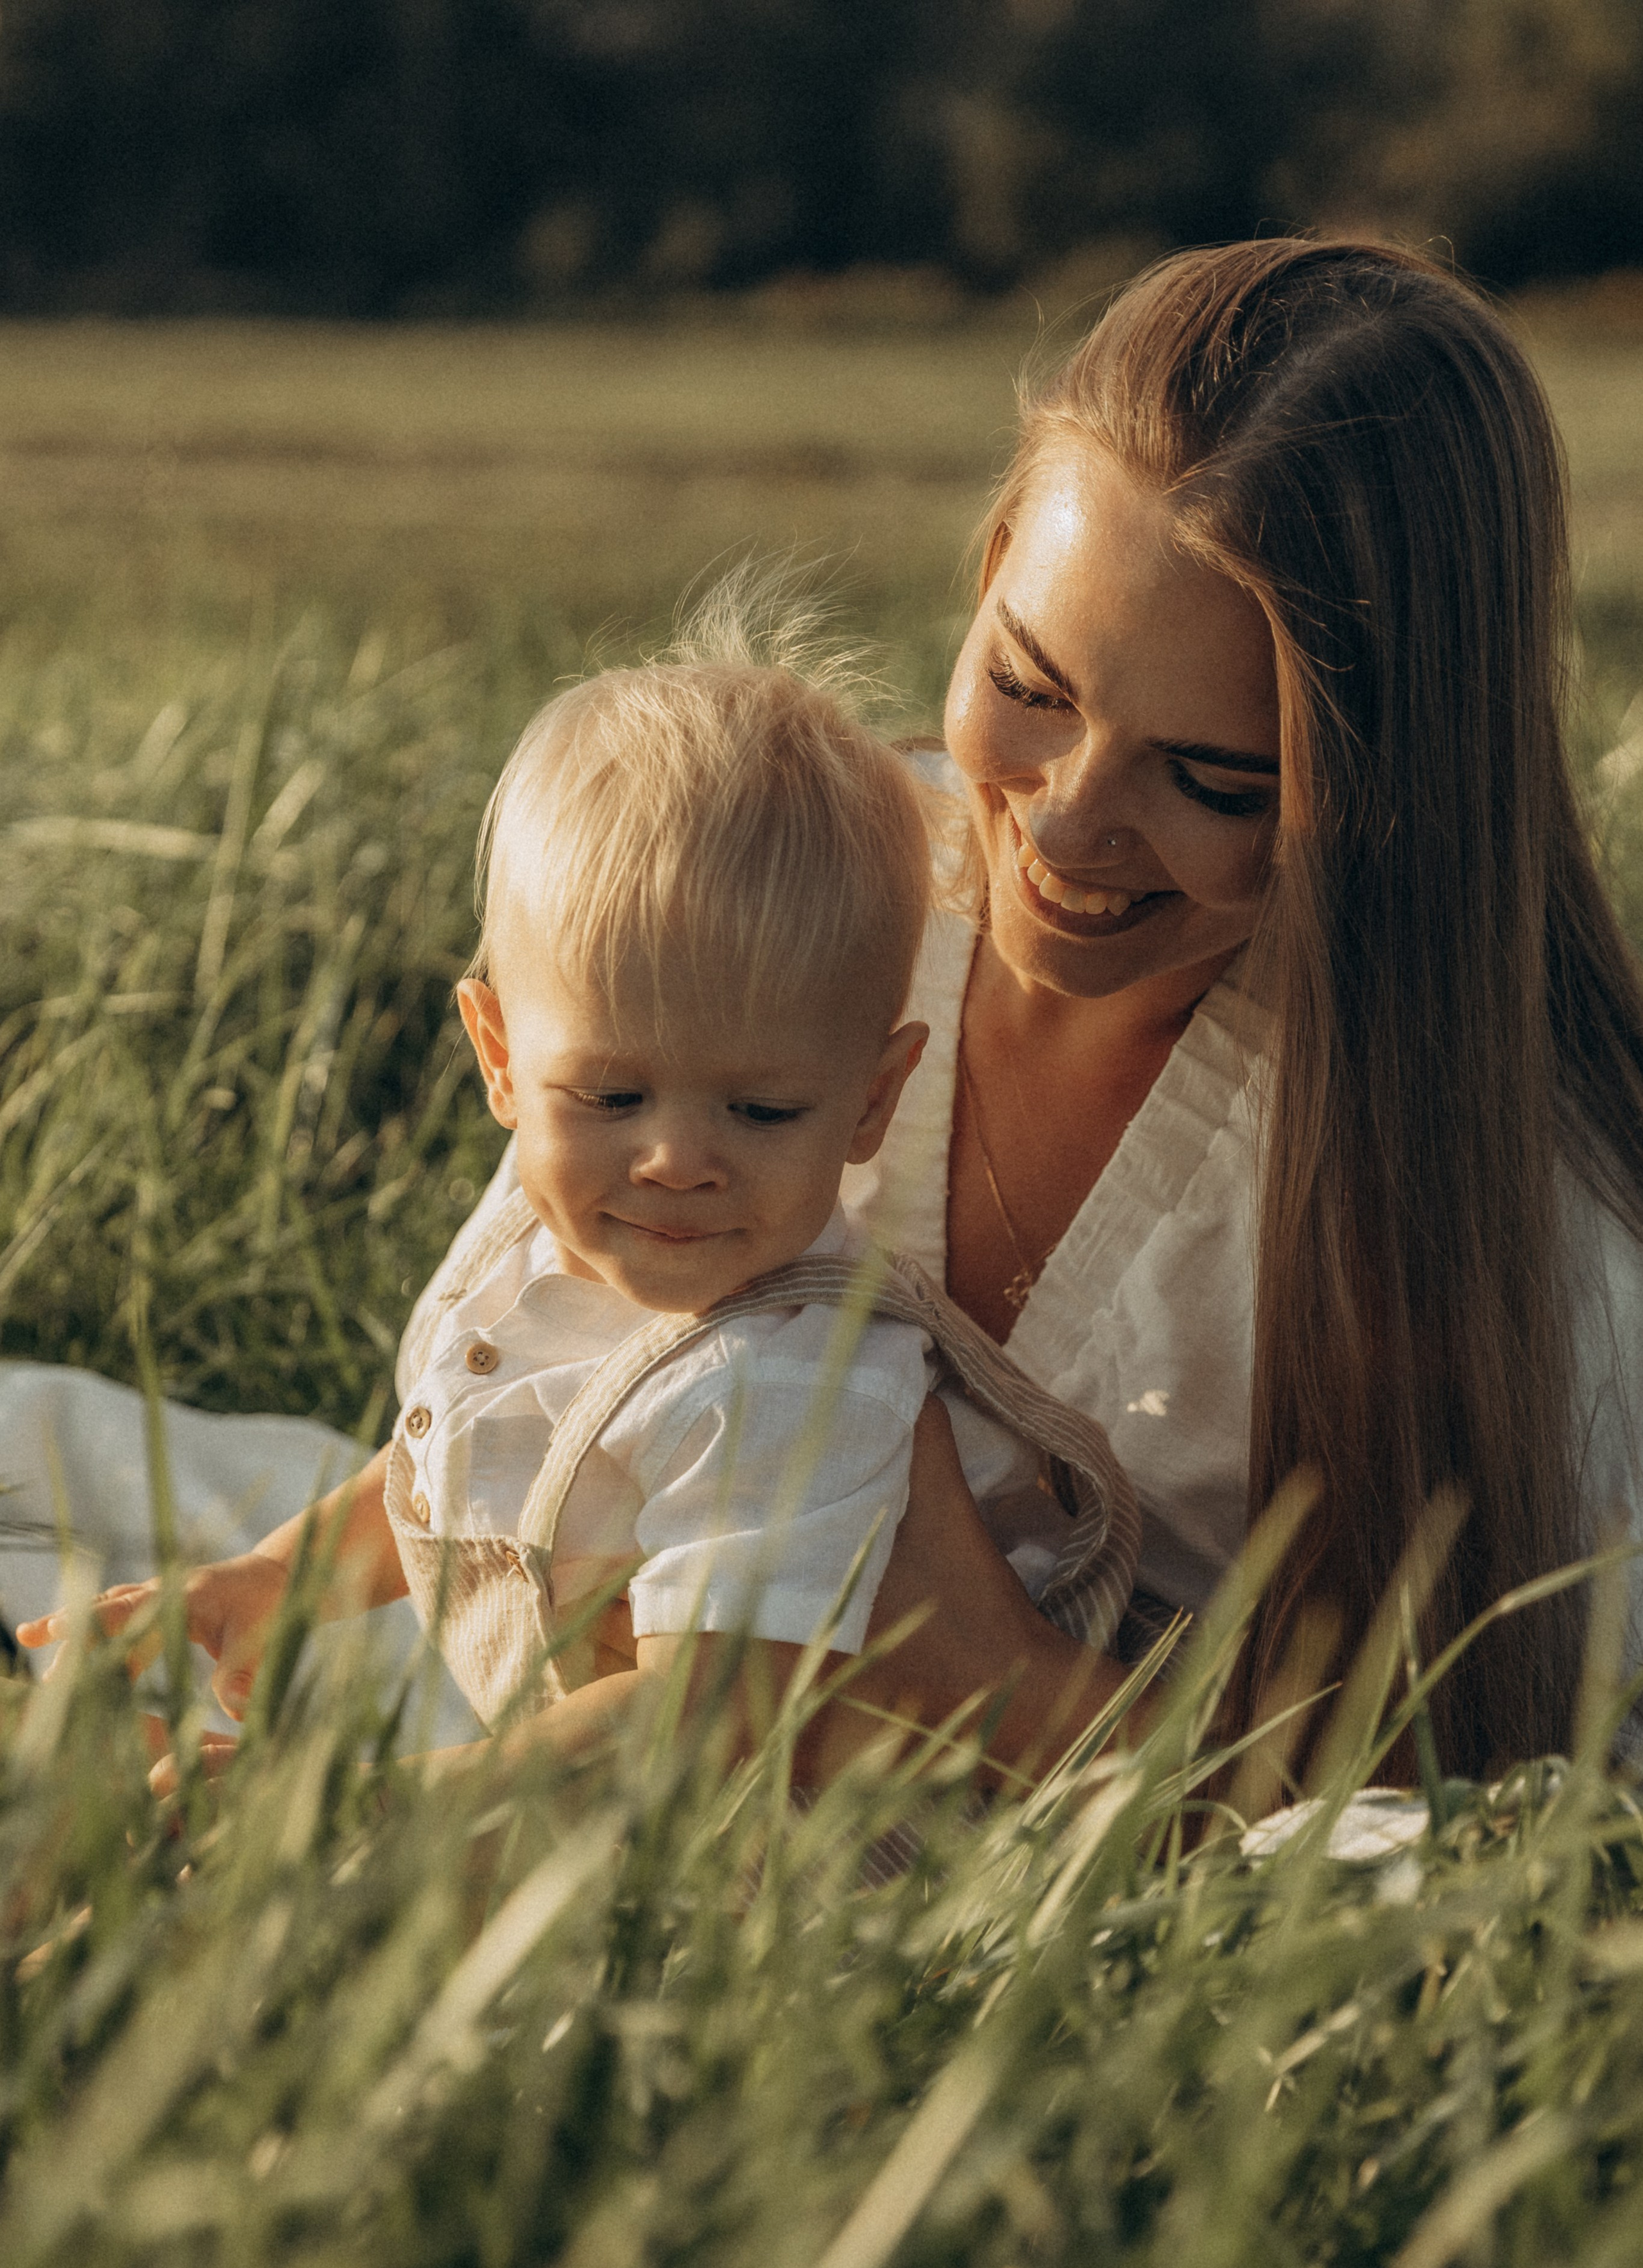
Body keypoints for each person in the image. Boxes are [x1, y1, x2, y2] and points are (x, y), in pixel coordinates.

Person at [418, 236, 1643, 1786]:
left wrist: (992, 1666)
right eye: (1030, 685)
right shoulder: (807, 895)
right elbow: (513, 1364)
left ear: (1386, 791)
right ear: (993, 561)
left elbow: (1516, 1864)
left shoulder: (1540, 1243)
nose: (1061, 832)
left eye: (1210, 778)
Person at [19, 605, 1140, 1776]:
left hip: (792, 1867)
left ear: (872, 1101)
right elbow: (452, 1462)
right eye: (611, 1099)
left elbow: (699, 1726)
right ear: (500, 1059)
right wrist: (271, 1583)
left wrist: (376, 1810)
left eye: (761, 1112)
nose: (675, 1160)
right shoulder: (558, 1257)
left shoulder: (790, 1375)